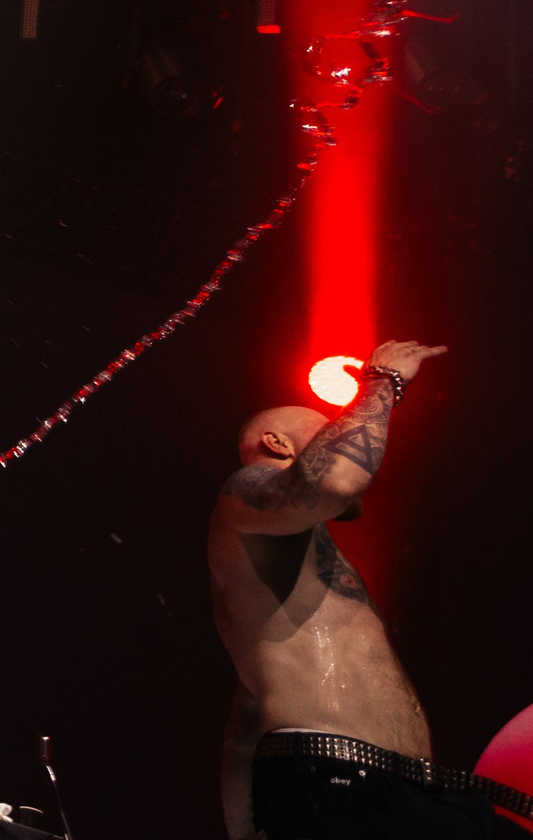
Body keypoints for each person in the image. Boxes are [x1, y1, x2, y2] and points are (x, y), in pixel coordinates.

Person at [211, 341, 502, 839]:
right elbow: (336, 482)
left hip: (401, 789)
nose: (343, 433)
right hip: (338, 778)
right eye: (326, 430)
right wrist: (381, 381)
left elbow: (246, 720)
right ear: (278, 444)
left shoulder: (297, 568)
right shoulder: (246, 488)